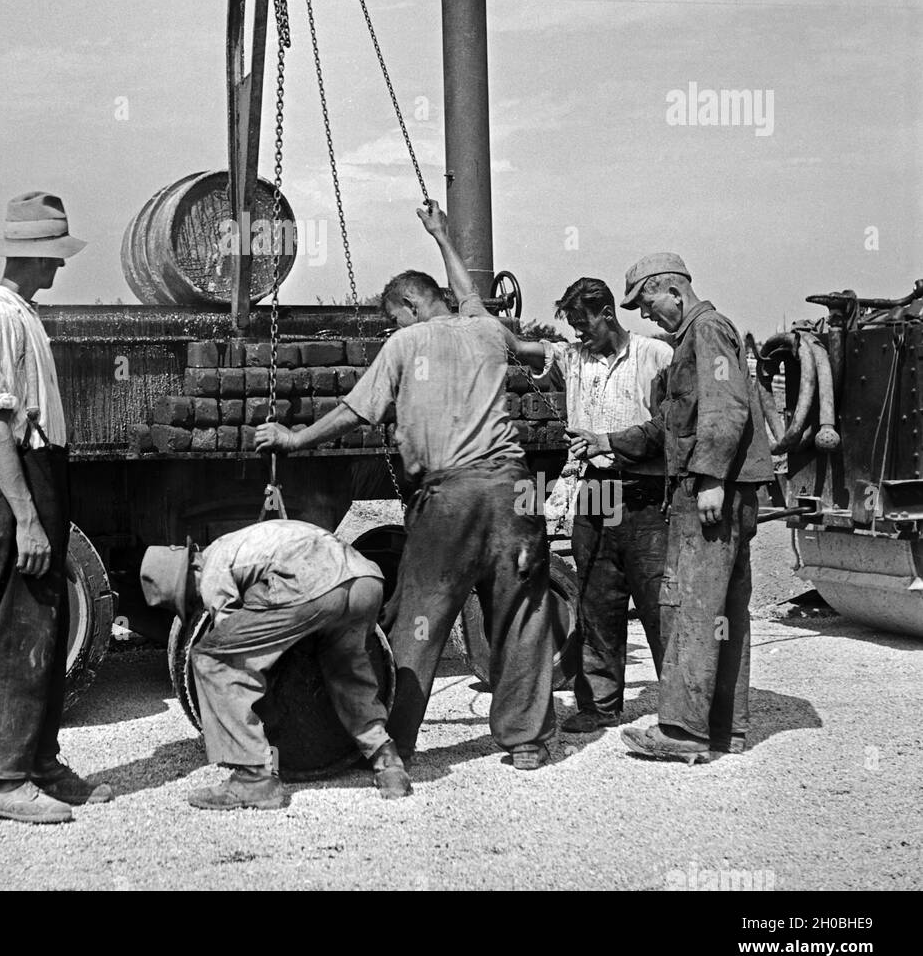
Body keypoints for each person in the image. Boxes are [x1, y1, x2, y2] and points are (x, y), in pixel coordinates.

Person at [256, 203, 558, 769]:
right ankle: (527, 743)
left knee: (419, 615)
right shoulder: (490, 330)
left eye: (395, 316)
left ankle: (394, 741)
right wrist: (442, 233)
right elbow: (467, 296)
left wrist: (296, 440)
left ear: (412, 305)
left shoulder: (407, 344)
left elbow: (356, 410)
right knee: (522, 611)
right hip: (515, 492)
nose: (394, 328)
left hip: (451, 498)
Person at [568, 254, 774, 763]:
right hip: (710, 491)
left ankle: (684, 734)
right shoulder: (692, 340)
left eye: (647, 303)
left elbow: (727, 408)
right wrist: (605, 440)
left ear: (672, 291)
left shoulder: (706, 331)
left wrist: (710, 480)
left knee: (694, 609)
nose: (644, 316)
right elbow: (667, 426)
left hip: (710, 495)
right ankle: (726, 729)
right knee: (722, 612)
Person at [0, 192, 112, 824]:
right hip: (18, 481)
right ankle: (0, 780)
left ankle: (40, 763)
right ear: (30, 257)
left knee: (45, 627)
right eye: (53, 256)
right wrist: (24, 516)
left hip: (43, 475)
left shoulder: (24, 314)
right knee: (15, 627)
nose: (59, 267)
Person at [140, 522, 411, 810]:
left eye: (189, 600)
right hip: (365, 579)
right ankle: (388, 762)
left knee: (213, 659)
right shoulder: (237, 541)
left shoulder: (210, 569)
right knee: (346, 669)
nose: (198, 604)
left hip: (312, 584)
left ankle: (254, 780)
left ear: (189, 574)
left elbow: (234, 647)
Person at [523, 278, 672, 733]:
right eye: (571, 326)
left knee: (659, 605)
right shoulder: (572, 358)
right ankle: (599, 706)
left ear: (608, 313)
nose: (577, 333)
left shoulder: (657, 356)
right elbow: (518, 345)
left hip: (646, 494)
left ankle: (682, 709)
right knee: (596, 603)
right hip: (595, 491)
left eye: (583, 324)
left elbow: (676, 423)